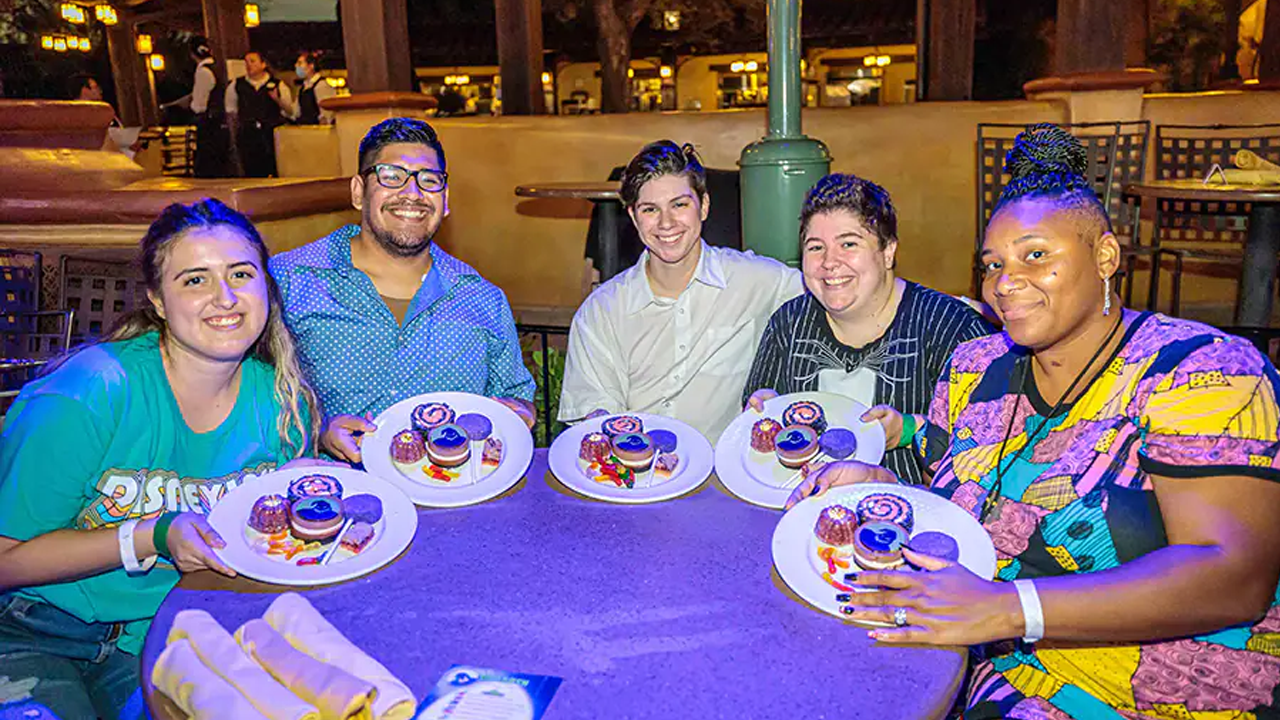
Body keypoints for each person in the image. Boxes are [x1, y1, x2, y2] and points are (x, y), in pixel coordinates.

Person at [790, 124, 1280, 720]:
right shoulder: (975, 368)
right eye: (992, 264)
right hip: (990, 668)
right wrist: (880, 484)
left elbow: (1233, 575)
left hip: (1175, 687)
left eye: (1036, 255)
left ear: (1105, 256)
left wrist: (1007, 608)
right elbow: (957, 504)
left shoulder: (1199, 371)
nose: (1005, 281)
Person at [0, 199, 321, 720]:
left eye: (241, 274)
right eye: (195, 280)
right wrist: (149, 535)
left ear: (267, 284)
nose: (226, 297)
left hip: (166, 633)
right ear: (158, 300)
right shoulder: (90, 392)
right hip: (33, 629)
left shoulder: (283, 402)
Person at [270, 117, 536, 462]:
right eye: (391, 176)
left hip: (454, 500)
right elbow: (247, 402)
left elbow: (516, 400)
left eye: (429, 181)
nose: (412, 194)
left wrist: (521, 414)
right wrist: (317, 432)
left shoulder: (483, 299)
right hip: (331, 503)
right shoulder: (291, 281)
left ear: (445, 199)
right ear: (357, 191)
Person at [742, 173, 992, 484]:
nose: (830, 262)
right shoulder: (788, 324)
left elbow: (994, 449)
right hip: (798, 509)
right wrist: (764, 411)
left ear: (888, 251)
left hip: (910, 518)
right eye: (816, 247)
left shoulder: (952, 329)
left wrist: (910, 429)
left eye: (849, 243)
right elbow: (757, 429)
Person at [558, 140, 803, 442]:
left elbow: (837, 300)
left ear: (704, 206)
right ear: (634, 218)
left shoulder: (757, 280)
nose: (666, 223)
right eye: (650, 209)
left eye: (679, 204)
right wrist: (598, 422)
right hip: (637, 476)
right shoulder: (602, 311)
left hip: (724, 476)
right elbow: (594, 412)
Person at [226, 50, 292, 178]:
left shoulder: (278, 85)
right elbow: (231, 111)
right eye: (246, 62)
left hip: (270, 135)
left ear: (263, 64)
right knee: (251, 171)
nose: (248, 65)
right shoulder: (236, 85)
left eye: (252, 61)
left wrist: (277, 99)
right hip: (248, 135)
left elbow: (290, 111)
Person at [291, 51, 335, 125]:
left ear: (311, 66)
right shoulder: (303, 87)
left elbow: (327, 115)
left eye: (300, 63)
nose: (296, 66)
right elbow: (296, 112)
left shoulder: (321, 85)